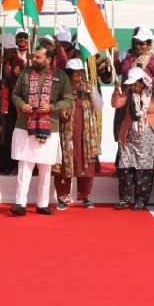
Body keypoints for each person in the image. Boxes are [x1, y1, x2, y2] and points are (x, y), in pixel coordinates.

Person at [9, 45, 74, 215]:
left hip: (49, 127)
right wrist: (21, 105)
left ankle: (42, 204)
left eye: (38, 57)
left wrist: (51, 107)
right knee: (25, 166)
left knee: (45, 168)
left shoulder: (61, 76)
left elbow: (68, 100)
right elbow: (15, 94)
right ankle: (20, 204)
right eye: (34, 57)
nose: (34, 60)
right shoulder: (26, 73)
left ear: (49, 59)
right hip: (26, 125)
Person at [112, 66, 154, 210]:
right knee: (125, 166)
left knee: (144, 168)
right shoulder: (128, 92)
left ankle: (141, 200)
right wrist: (116, 90)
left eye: (135, 84)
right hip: (129, 136)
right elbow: (116, 103)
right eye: (131, 84)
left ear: (142, 82)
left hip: (148, 138)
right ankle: (125, 198)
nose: (133, 87)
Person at [55, 57, 102, 209]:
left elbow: (99, 106)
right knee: (65, 164)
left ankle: (85, 196)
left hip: (85, 134)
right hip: (66, 132)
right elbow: (54, 106)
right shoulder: (61, 88)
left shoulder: (88, 87)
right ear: (69, 73)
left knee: (86, 164)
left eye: (81, 72)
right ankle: (63, 198)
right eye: (76, 72)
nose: (79, 75)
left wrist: (92, 92)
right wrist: (61, 111)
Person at [0, 29, 28, 175]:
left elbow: (23, 84)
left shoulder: (20, 63)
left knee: (10, 136)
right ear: (3, 48)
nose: (11, 52)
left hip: (12, 106)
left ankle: (8, 165)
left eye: (12, 49)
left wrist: (17, 75)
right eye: (8, 49)